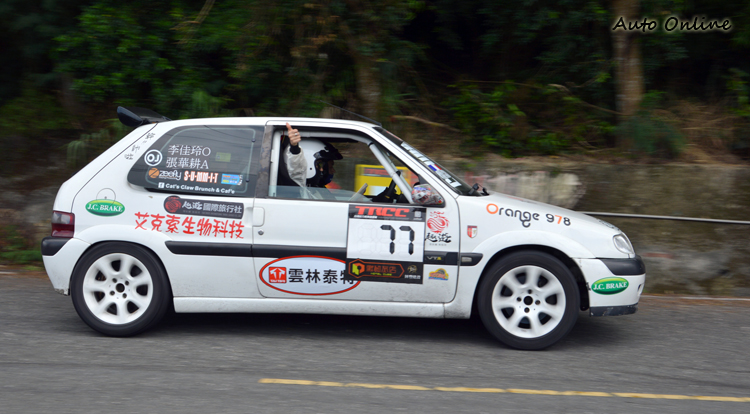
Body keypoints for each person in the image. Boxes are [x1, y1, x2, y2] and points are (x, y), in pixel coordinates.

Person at [284, 123, 342, 189]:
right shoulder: (299, 191)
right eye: (320, 165)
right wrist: (294, 148)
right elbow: (297, 169)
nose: (333, 171)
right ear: (309, 164)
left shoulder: (316, 189)